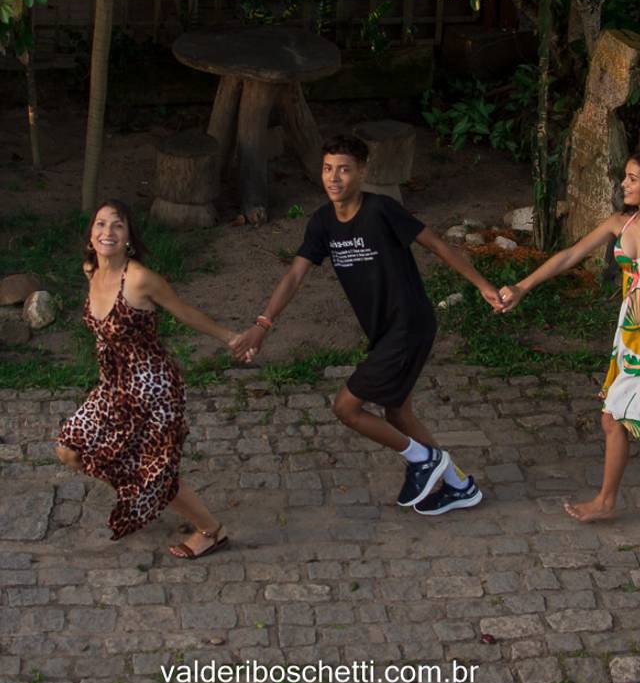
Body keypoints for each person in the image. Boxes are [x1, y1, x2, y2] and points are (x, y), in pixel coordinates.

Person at [231, 136, 503, 515]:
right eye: (328, 169)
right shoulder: (323, 222)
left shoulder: (381, 211)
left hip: (409, 325)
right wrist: (263, 323)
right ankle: (460, 485)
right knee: (398, 413)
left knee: (346, 407)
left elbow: (437, 245)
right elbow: (294, 275)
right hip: (384, 331)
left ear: (362, 172)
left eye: (344, 169)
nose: (334, 178)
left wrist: (483, 286)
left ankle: (423, 459)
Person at [56, 199, 242, 558]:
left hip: (153, 388)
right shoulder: (90, 271)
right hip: (114, 387)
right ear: (91, 234)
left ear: (128, 237)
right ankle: (142, 491)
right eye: (100, 224)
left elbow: (184, 311)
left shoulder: (140, 279)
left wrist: (231, 338)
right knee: (69, 450)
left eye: (118, 226)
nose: (107, 232)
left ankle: (212, 531)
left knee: (156, 473)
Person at [499, 152, 640, 522]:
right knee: (613, 417)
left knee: (614, 416)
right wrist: (522, 286)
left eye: (633, 178)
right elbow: (571, 255)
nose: (624, 184)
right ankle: (606, 501)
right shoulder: (621, 222)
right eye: (625, 176)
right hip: (631, 335)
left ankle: (606, 502)